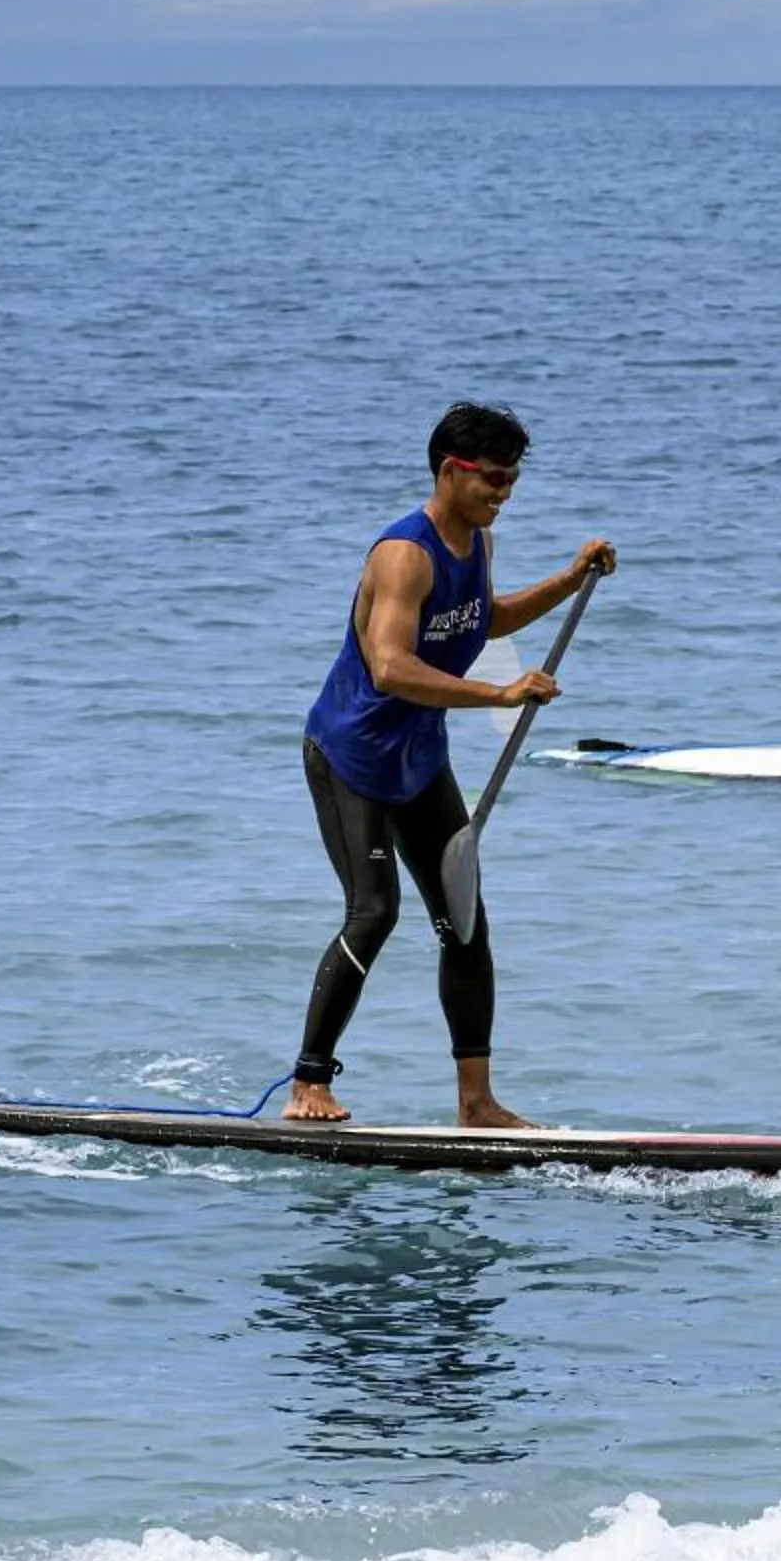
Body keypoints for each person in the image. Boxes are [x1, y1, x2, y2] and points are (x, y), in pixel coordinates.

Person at [293, 401, 615, 1126]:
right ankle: (309, 1083)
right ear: (451, 470)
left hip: (417, 759)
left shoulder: (477, 543)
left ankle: (477, 1102)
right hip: (351, 757)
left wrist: (569, 579)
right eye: (493, 479)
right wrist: (498, 691)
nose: (503, 493)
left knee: (463, 923)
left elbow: (485, 618)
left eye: (512, 482)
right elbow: (390, 667)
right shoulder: (403, 554)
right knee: (374, 911)